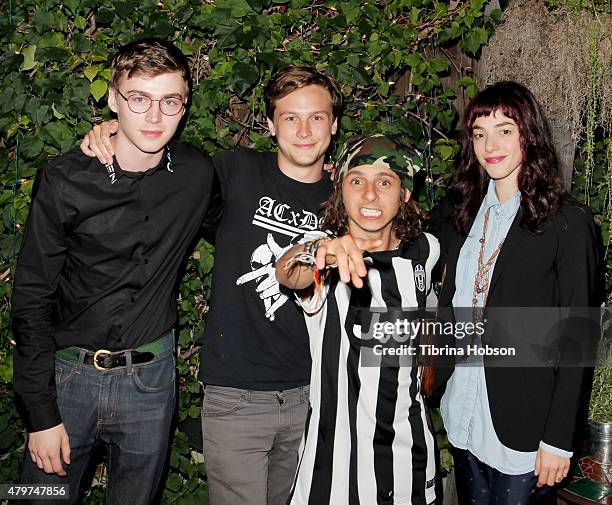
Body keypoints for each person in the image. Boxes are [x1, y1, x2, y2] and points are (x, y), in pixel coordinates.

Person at [80, 65, 343, 505]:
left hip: (313, 395)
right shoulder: (233, 172)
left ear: (333, 125)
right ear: (270, 124)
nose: (303, 130)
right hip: (236, 396)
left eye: (316, 117)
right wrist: (115, 132)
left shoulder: (347, 198)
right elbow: (157, 161)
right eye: (289, 117)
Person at [12, 39, 217, 505]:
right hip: (67, 379)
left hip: (151, 381)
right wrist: (40, 415)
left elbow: (242, 224)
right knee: (30, 496)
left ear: (184, 106)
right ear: (112, 98)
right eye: (138, 99)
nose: (154, 117)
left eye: (170, 102)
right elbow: (30, 298)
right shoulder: (65, 178)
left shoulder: (196, 173)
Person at [431, 81, 601, 505]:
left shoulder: (567, 223)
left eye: (505, 130)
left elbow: (577, 338)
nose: (492, 144)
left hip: (525, 427)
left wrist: (559, 440)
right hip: (463, 412)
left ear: (529, 133)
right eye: (480, 133)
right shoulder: (461, 212)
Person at [276, 134, 440, 505]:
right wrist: (319, 250)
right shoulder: (326, 255)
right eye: (356, 181)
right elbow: (288, 272)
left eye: (385, 182)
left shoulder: (427, 251)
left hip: (409, 457)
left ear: (405, 195)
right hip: (333, 467)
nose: (369, 195)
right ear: (341, 191)